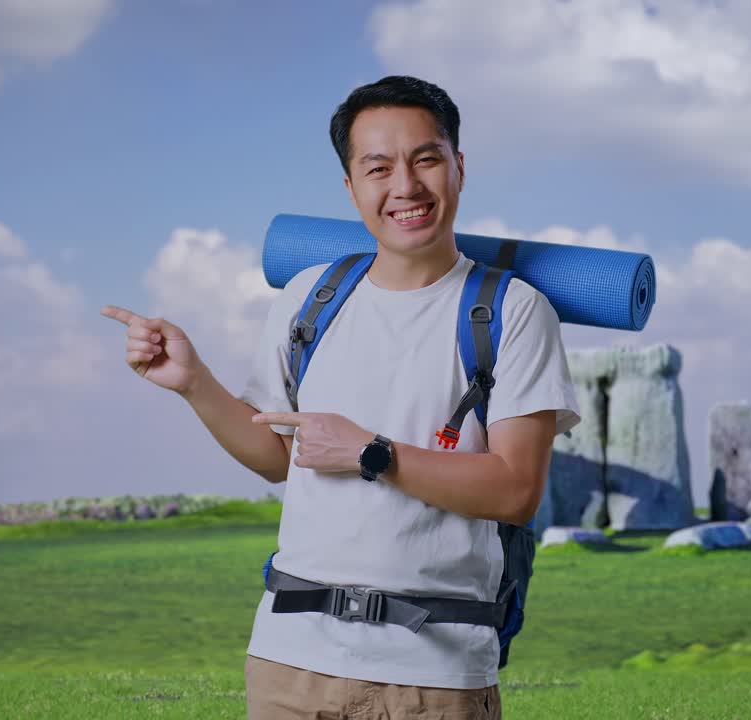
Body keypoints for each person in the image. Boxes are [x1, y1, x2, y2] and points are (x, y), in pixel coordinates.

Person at [102, 75, 581, 719]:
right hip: (288, 661)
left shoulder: (514, 313)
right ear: (350, 187)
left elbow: (516, 490)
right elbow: (280, 456)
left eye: (426, 160)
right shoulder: (309, 297)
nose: (405, 187)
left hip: (433, 674)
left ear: (459, 168)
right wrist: (194, 382)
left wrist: (369, 453)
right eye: (377, 167)